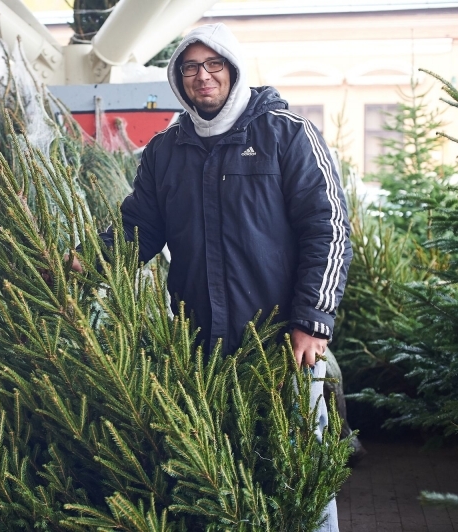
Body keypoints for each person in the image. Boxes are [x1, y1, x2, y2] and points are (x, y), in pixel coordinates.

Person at [71, 22, 351, 531]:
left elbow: (328, 227)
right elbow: (140, 228)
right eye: (191, 67)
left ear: (233, 67)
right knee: (216, 472)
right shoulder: (165, 150)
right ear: (180, 79)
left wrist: (312, 319)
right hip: (196, 342)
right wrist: (86, 261)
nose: (203, 76)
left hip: (281, 343)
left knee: (300, 468)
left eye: (214, 64)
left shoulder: (286, 133)